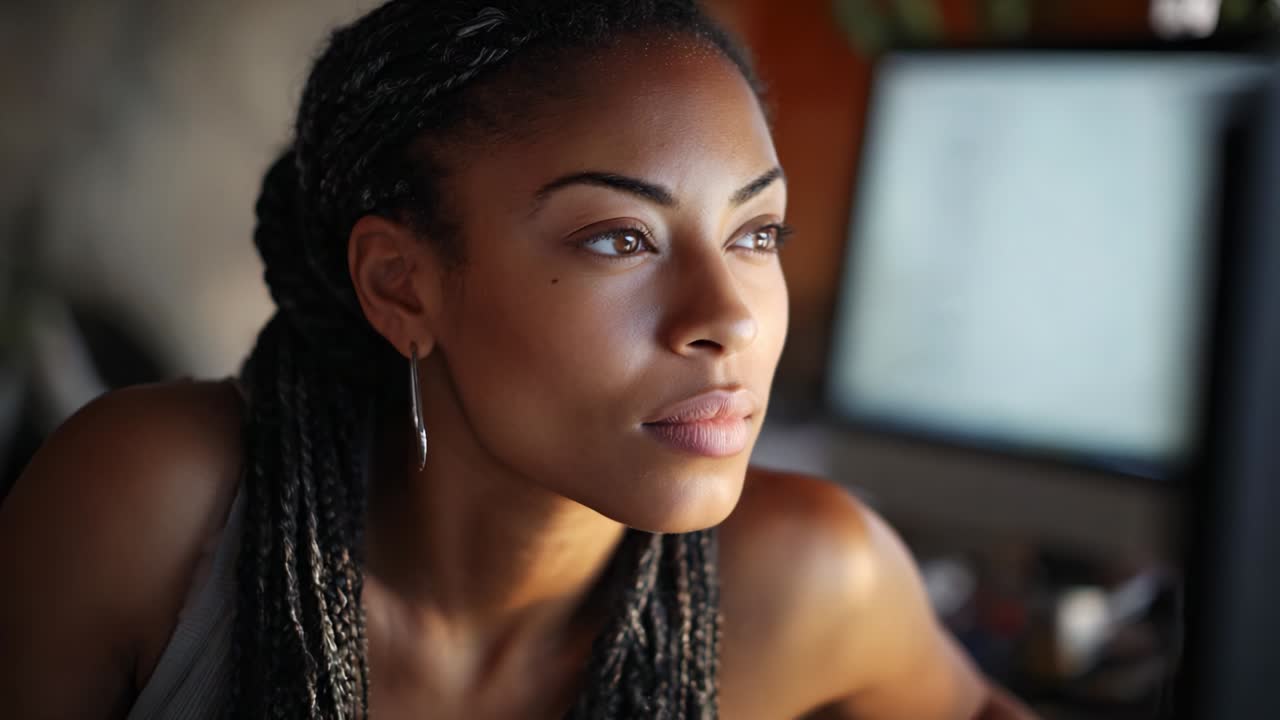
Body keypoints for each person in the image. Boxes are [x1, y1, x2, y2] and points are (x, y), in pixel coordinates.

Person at [0, 1, 1038, 717]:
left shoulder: (809, 578)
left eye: (755, 233)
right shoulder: (149, 509)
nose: (725, 315)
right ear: (402, 284)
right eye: (617, 239)